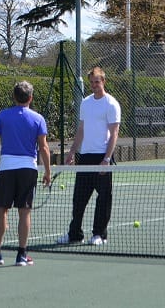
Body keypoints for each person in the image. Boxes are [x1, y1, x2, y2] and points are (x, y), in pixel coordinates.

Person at [0, 80, 51, 266]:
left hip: (6, 170)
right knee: (24, 212)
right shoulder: (38, 119)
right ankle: (22, 255)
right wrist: (48, 172)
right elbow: (44, 148)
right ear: (31, 98)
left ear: (14, 97)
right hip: (28, 170)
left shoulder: (3, 116)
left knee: (1, 211)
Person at [57, 66, 121, 246]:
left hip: (102, 157)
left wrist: (107, 159)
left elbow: (114, 133)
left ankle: (99, 234)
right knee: (79, 199)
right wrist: (72, 152)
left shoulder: (111, 104)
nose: (94, 85)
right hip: (85, 157)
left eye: (97, 82)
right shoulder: (85, 103)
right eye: (92, 82)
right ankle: (75, 234)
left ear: (104, 82)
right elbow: (81, 129)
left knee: (103, 198)